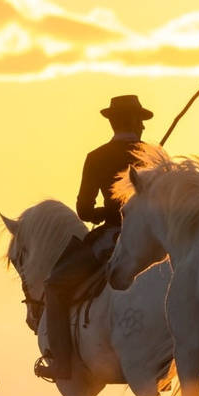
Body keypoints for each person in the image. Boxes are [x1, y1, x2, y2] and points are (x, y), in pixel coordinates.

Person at [35, 95, 154, 381]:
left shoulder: (97, 157)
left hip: (111, 235)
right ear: (137, 122)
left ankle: (61, 363)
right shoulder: (153, 153)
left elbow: (84, 209)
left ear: (112, 122)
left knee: (54, 286)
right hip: (152, 236)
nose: (143, 127)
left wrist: (105, 210)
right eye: (141, 121)